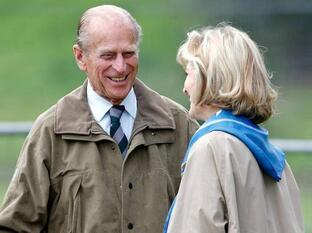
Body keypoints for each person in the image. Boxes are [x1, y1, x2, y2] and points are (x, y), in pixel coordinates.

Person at [0, 5, 199, 232]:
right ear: (80, 57)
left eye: (129, 53)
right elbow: (14, 226)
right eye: (108, 55)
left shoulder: (179, 126)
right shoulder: (51, 131)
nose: (120, 66)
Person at [163, 24, 304, 233]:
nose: (184, 87)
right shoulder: (274, 158)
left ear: (209, 78)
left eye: (188, 73)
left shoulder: (211, 148)